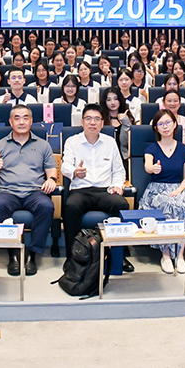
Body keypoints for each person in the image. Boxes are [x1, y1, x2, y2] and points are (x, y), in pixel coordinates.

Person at [0, 104, 58, 276]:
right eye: (17, 118)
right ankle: (13, 254)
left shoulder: (43, 145)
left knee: (46, 206)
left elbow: (51, 169)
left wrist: (52, 179)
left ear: (32, 121)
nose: (22, 122)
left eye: (26, 118)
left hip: (34, 192)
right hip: (8, 192)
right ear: (10, 122)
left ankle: (33, 254)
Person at [61, 104, 128, 261]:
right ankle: (74, 256)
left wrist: (118, 185)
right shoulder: (72, 141)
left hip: (104, 190)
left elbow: (119, 170)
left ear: (102, 123)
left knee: (122, 205)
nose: (93, 122)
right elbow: (65, 166)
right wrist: (75, 172)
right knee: (70, 207)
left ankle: (119, 256)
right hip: (81, 190)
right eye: (89, 119)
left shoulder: (110, 142)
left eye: (97, 119)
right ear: (82, 122)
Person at [140, 109, 185, 274]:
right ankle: (165, 254)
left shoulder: (184, 149)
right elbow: (148, 167)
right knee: (167, 205)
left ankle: (180, 255)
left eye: (168, 123)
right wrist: (153, 168)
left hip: (178, 187)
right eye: (160, 124)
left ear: (174, 125)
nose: (165, 127)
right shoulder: (151, 149)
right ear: (156, 128)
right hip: (156, 190)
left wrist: (179, 189)